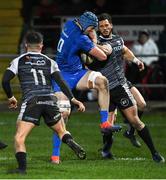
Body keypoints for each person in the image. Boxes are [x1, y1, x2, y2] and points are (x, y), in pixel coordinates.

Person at [1, 31, 87, 174]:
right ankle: (69, 140)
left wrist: (11, 97)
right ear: (41, 46)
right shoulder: (50, 61)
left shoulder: (19, 60)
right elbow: (61, 82)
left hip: (32, 101)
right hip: (50, 100)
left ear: (26, 45)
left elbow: (5, 81)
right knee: (61, 131)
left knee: (19, 137)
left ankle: (22, 169)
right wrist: (73, 99)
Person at [84, 13, 165, 163]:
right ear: (98, 28)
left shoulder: (114, 40)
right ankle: (106, 150)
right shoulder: (95, 43)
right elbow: (96, 55)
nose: (105, 28)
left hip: (120, 85)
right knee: (107, 125)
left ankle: (154, 152)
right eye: (101, 26)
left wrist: (135, 60)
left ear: (111, 25)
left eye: (107, 25)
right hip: (106, 90)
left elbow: (124, 51)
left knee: (136, 117)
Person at [51, 11, 121, 164]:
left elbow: (83, 37)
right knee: (63, 114)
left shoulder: (70, 24)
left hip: (77, 72)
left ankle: (104, 123)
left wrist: (88, 42)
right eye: (92, 29)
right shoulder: (81, 38)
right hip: (61, 77)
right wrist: (95, 41)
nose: (92, 31)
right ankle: (55, 155)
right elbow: (102, 56)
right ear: (86, 26)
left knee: (102, 82)